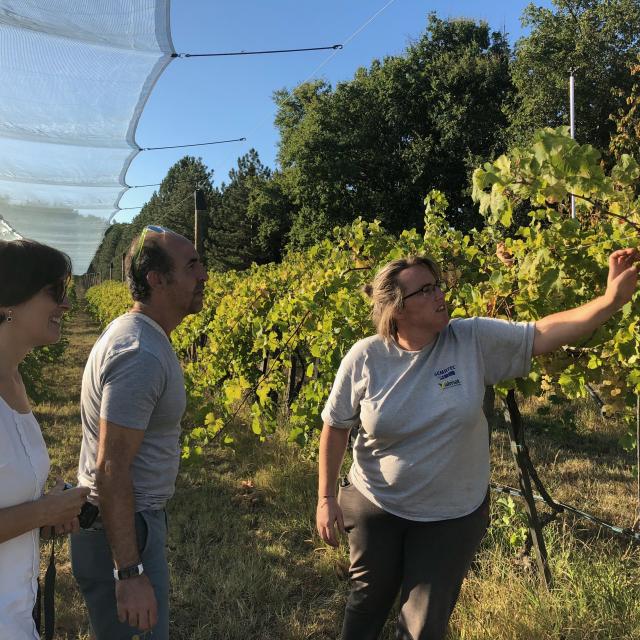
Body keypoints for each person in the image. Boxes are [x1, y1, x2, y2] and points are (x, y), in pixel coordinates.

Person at [317, 249, 639, 640]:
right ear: (397, 310)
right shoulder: (366, 358)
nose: (440, 295)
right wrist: (326, 498)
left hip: (450, 516)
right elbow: (335, 428)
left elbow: (541, 333)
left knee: (422, 627)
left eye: (438, 285)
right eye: (426, 291)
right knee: (367, 603)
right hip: (377, 505)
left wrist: (610, 301)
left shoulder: (469, 338)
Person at [70, 226, 207, 639]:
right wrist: (129, 572)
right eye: (192, 265)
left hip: (126, 525)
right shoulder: (140, 354)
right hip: (124, 530)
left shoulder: (142, 337)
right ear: (156, 279)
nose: (204, 275)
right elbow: (110, 469)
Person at [0, 239, 90, 640]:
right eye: (55, 292)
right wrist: (42, 513)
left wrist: (45, 516)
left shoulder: (14, 381)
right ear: (9, 302)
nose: (66, 305)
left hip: (17, 607)